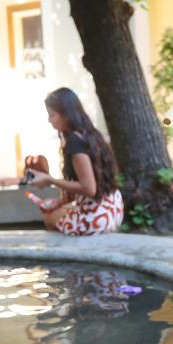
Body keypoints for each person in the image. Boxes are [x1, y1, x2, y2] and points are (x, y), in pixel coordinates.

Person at [26, 87, 124, 235]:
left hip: (97, 217)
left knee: (48, 217)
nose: (49, 120)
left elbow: (89, 188)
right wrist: (59, 202)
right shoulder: (90, 134)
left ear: (66, 115)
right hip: (114, 210)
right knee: (58, 209)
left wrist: (50, 180)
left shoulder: (74, 141)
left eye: (52, 114)